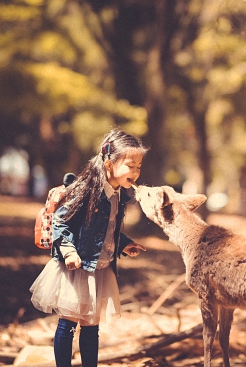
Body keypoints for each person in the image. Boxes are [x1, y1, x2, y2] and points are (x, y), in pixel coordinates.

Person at [30, 128, 148, 367]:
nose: (135, 172)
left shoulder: (119, 195)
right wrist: (69, 251)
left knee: (91, 326)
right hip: (77, 266)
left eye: (138, 167)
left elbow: (108, 228)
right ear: (109, 163)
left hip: (100, 268)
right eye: (130, 166)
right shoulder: (86, 189)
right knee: (69, 321)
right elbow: (60, 221)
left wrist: (124, 244)